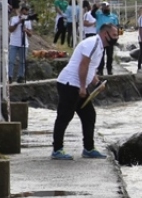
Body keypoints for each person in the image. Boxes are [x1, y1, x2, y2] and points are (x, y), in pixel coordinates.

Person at [50, 23, 118, 160]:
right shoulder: (92, 43)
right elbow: (83, 65)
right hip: (69, 84)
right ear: (106, 34)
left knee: (89, 115)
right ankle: (57, 150)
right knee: (64, 116)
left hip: (77, 85)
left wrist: (97, 83)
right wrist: (82, 87)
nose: (116, 38)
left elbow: (90, 70)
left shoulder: (100, 47)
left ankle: (88, 148)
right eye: (115, 35)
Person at [8, 4, 33, 83]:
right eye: (24, 13)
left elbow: (30, 34)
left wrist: (26, 30)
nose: (25, 15)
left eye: (26, 14)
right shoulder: (13, 19)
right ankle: (9, 76)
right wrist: (18, 23)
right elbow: (11, 30)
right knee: (11, 60)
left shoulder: (28, 21)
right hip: (14, 43)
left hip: (23, 43)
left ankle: (21, 76)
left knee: (22, 61)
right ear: (21, 12)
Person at [93, 1, 120, 75]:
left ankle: (109, 69)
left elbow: (118, 27)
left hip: (110, 38)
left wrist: (117, 36)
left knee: (110, 55)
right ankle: (100, 69)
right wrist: (96, 7)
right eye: (104, 6)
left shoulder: (114, 17)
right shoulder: (99, 15)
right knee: (100, 54)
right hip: (100, 38)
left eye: (107, 6)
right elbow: (92, 13)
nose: (106, 7)